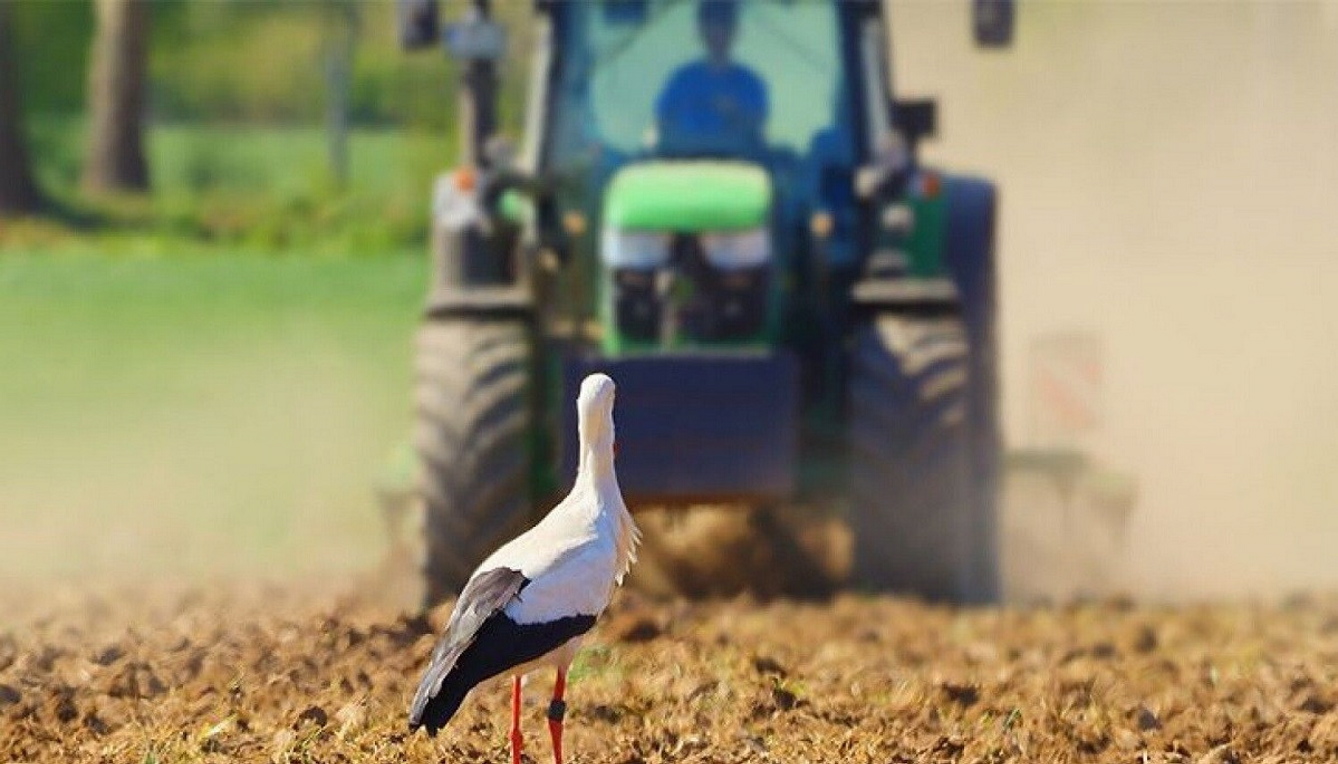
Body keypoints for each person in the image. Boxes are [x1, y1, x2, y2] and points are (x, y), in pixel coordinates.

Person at [654, 0, 768, 156]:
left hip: (733, 163)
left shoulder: (751, 83)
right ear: (701, 31)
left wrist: (736, 114)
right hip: (683, 161)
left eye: (722, 26)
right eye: (710, 26)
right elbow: (662, 121)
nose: (716, 34)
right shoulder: (681, 79)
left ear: (734, 31)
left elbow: (757, 129)